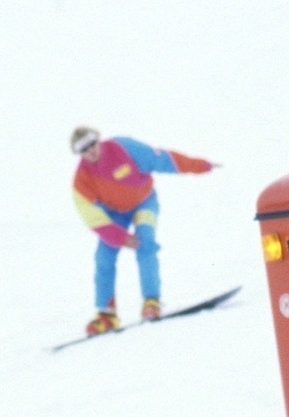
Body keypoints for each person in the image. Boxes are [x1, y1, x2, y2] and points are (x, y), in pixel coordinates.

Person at [70, 126, 213, 336]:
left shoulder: (124, 148)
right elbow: (91, 217)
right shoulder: (81, 180)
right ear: (79, 154)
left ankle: (151, 302)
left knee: (145, 243)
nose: (91, 151)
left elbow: (164, 159)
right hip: (114, 214)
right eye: (84, 149)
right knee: (104, 256)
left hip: (144, 203)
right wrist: (120, 237)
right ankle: (106, 315)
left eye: (92, 144)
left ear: (98, 139)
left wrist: (200, 165)